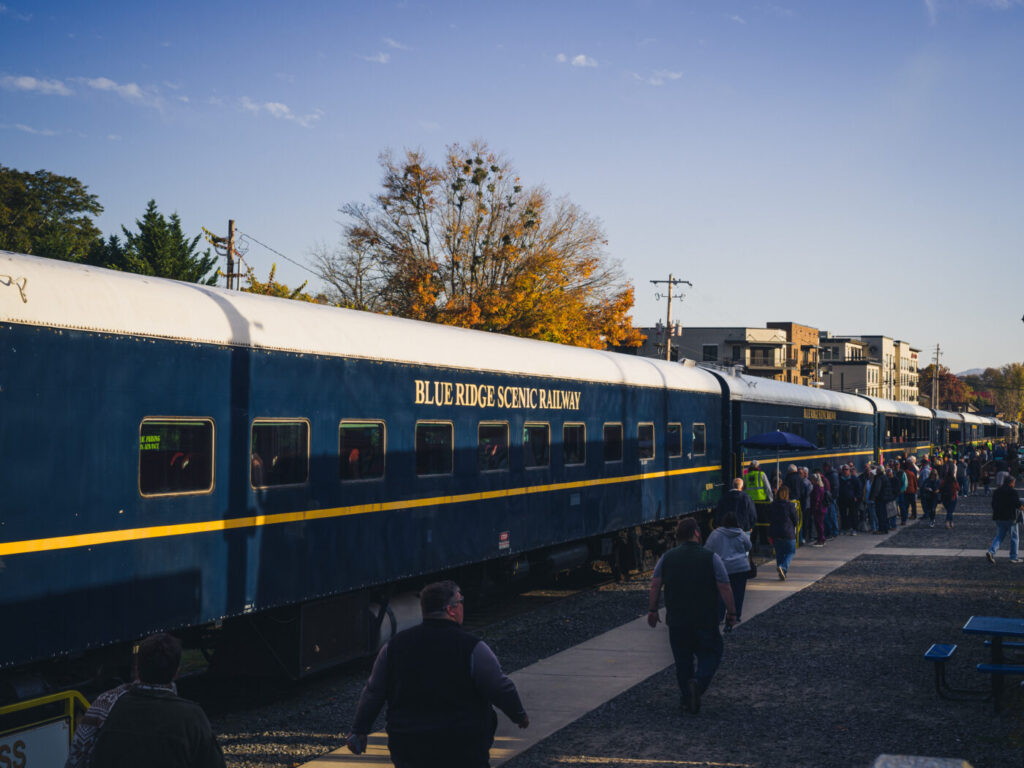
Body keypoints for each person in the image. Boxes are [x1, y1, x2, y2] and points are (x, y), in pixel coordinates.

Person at [347, 581, 528, 767]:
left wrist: (359, 730)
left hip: (409, 743)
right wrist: (518, 715)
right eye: (461, 601)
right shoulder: (472, 647)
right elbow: (498, 686)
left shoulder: (394, 646)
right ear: (451, 610)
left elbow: (374, 691)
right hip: (462, 744)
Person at [72, 633, 225, 768]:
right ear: (176, 673)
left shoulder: (105, 704)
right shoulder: (193, 717)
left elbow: (76, 760)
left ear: (137, 668)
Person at [647, 517, 736, 714]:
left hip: (677, 620)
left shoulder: (667, 557)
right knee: (712, 652)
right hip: (705, 618)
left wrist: (653, 610)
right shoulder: (711, 557)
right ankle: (698, 682)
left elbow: (655, 584)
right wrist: (732, 612)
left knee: (682, 661)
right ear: (696, 533)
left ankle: (687, 700)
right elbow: (725, 586)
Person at [704, 511, 752, 622]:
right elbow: (749, 546)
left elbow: (707, 549)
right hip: (740, 568)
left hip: (722, 567)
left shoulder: (716, 534)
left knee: (721, 592)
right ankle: (736, 615)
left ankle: (719, 615)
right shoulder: (740, 533)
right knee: (738, 593)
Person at [986, 476, 1023, 563]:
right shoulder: (1013, 492)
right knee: (1014, 538)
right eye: (1014, 483)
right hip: (1010, 518)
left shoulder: (997, 491)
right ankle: (1013, 557)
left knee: (1000, 536)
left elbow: (993, 504)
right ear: (1011, 483)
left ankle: (991, 552)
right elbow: (1017, 504)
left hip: (999, 517)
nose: (1014, 484)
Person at [766, 485, 799, 580]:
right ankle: (783, 567)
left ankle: (782, 572)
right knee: (790, 552)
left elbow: (769, 518)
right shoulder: (790, 505)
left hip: (776, 532)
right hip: (788, 532)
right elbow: (795, 519)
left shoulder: (772, 505)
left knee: (779, 553)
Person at [940, 464, 960, 529]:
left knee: (949, 510)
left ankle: (951, 522)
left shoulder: (944, 480)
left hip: (944, 497)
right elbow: (958, 488)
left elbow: (940, 487)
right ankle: (947, 522)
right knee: (950, 511)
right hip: (952, 497)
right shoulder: (954, 481)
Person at [808, 474, 826, 546]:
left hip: (818, 509)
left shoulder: (817, 488)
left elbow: (816, 499)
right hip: (821, 509)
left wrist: (814, 508)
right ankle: (820, 539)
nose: (810, 481)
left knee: (819, 525)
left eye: (811, 479)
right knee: (819, 525)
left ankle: (821, 539)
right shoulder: (821, 487)